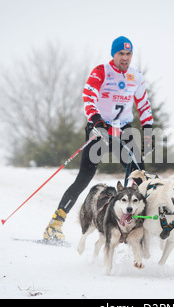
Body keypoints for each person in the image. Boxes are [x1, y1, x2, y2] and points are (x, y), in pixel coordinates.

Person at [43, 36, 154, 241]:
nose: (125, 58)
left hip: (124, 131)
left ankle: (152, 228)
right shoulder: (101, 71)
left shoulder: (136, 76)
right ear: (113, 54)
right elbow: (88, 96)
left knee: (141, 178)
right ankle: (54, 225)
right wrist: (95, 120)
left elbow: (144, 105)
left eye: (128, 54)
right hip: (101, 130)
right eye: (121, 53)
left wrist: (148, 130)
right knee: (84, 178)